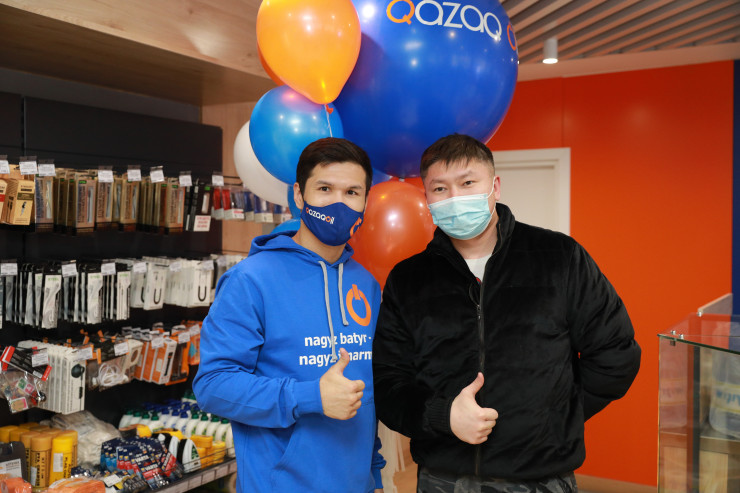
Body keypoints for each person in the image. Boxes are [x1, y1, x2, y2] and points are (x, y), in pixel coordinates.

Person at [372, 134, 641, 493]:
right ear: (427, 198)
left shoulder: (559, 257)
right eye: (440, 188)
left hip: (541, 477)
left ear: (495, 186)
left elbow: (616, 354)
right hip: (443, 478)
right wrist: (443, 416)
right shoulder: (409, 279)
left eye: (468, 183)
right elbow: (388, 383)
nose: (455, 198)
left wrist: (554, 417)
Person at [194, 137, 385, 493]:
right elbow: (213, 386)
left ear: (365, 200)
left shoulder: (367, 285)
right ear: (299, 195)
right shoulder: (250, 280)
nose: (338, 202)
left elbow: (365, 392)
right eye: (324, 189)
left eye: (352, 192)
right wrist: (310, 396)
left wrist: (373, 475)